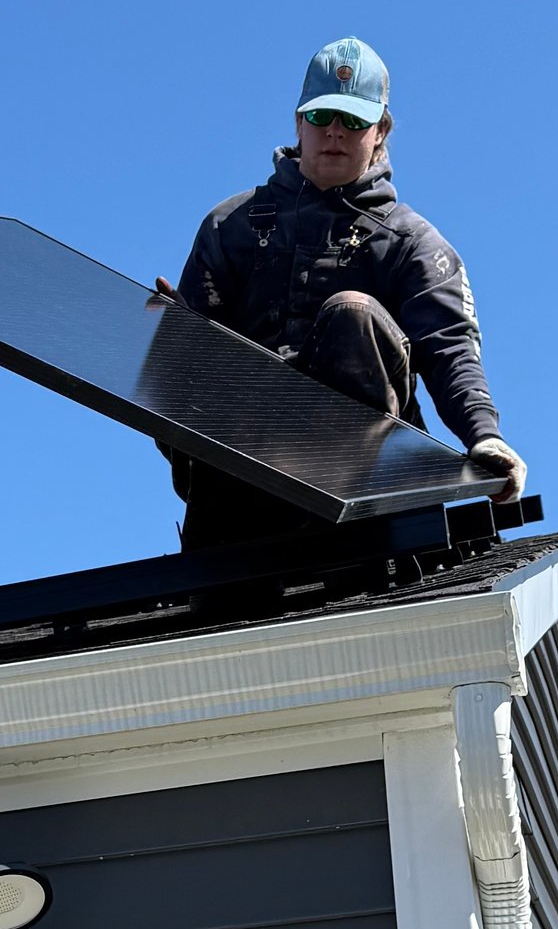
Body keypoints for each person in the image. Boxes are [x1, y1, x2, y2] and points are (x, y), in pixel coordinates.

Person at [162, 37, 526, 550]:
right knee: (182, 334)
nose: (335, 131)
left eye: (354, 120)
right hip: (242, 479)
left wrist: (483, 435)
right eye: (322, 116)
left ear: (381, 132)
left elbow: (449, 347)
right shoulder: (232, 225)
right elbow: (179, 377)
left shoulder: (411, 242)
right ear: (299, 124)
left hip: (367, 488)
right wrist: (169, 337)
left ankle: (362, 504)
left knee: (352, 313)